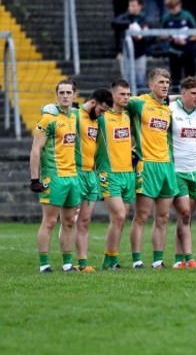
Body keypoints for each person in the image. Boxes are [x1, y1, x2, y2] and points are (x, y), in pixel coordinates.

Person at [41, 89, 114, 272]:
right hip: (75, 172)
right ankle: (63, 260)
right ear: (93, 103)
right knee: (69, 219)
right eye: (101, 110)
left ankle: (82, 262)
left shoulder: (97, 120)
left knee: (84, 221)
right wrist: (47, 107)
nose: (102, 114)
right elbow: (54, 111)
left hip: (91, 175)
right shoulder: (75, 114)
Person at [128, 68, 179, 268]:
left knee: (164, 216)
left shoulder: (167, 108)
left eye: (167, 82)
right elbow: (118, 99)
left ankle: (158, 260)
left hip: (166, 165)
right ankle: (137, 260)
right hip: (147, 165)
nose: (165, 85)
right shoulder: (139, 103)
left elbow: (179, 98)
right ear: (151, 85)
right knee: (141, 215)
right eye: (161, 82)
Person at [30, 80, 80, 273]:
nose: (65, 96)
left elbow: (94, 106)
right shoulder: (47, 118)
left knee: (69, 221)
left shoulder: (76, 116)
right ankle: (44, 264)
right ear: (57, 95)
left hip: (72, 176)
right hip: (53, 176)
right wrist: (35, 179)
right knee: (49, 221)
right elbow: (35, 149)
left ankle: (67, 263)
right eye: (62, 92)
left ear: (75, 95)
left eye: (69, 92)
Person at [97, 79, 136, 270]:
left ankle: (112, 259)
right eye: (122, 94)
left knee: (119, 220)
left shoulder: (128, 116)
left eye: (128, 94)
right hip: (109, 173)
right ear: (112, 96)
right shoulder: (102, 118)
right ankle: (107, 259)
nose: (126, 97)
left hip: (128, 173)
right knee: (119, 216)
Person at [170, 76, 196, 269]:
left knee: (186, 217)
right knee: (184, 212)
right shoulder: (171, 109)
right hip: (177, 170)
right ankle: (190, 258)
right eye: (193, 94)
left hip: (194, 171)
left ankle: (178, 259)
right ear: (183, 94)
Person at [111, 0, 151, 91]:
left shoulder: (144, 18)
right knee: (126, 81)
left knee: (139, 80)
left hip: (140, 52)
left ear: (140, 6)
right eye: (130, 5)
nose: (131, 7)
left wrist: (141, 35)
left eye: (133, 5)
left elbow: (150, 37)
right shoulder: (125, 17)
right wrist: (129, 24)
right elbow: (114, 23)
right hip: (126, 53)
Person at [161, 0, 196, 90]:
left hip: (188, 51)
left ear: (179, 5)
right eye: (170, 8)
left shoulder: (187, 16)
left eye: (174, 7)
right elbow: (162, 35)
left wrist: (186, 41)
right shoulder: (166, 18)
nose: (172, 10)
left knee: (190, 78)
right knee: (175, 78)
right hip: (174, 51)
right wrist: (171, 39)